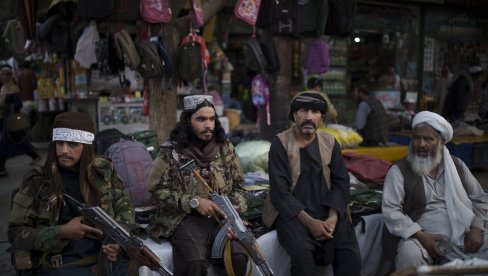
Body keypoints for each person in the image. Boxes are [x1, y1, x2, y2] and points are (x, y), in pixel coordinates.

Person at [8, 112, 135, 275]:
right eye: (59, 143)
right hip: (62, 264)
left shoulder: (103, 172)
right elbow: (15, 234)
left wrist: (118, 242)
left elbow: (125, 210)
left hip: (106, 260)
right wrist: (61, 232)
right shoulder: (38, 181)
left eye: (72, 144)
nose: (64, 150)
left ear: (86, 146)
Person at [147, 95, 248, 276]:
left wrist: (233, 218)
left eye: (211, 119)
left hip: (223, 218)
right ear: (188, 120)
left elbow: (240, 188)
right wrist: (193, 202)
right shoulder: (171, 152)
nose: (208, 125)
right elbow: (157, 191)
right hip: (185, 219)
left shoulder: (225, 149)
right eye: (201, 119)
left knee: (238, 257)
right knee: (194, 263)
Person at [262, 91, 361, 276]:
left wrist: (332, 218)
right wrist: (311, 223)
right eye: (303, 110)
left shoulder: (330, 143)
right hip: (294, 215)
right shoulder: (280, 143)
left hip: (328, 210)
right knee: (302, 260)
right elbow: (280, 193)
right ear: (294, 115)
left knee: (350, 257)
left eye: (315, 112)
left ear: (322, 118)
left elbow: (341, 182)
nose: (309, 117)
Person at [382, 111, 488, 270]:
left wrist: (477, 228)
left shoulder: (457, 166)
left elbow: (478, 198)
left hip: (463, 237)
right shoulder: (399, 170)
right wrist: (421, 236)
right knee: (409, 253)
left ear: (441, 143)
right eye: (417, 138)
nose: (421, 144)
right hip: (420, 240)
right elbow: (391, 211)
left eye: (428, 139)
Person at [0, 65, 41, 177]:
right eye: (3, 74)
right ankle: (34, 155)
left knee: (4, 144)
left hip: (12, 119)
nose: (5, 76)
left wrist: (5, 106)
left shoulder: (14, 88)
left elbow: (18, 104)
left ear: (11, 75)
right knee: (18, 140)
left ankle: (1, 168)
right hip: (5, 120)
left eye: (7, 74)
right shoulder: (3, 88)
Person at [17, 61, 38, 125]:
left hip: (24, 100)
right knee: (34, 118)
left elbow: (19, 88)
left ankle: (27, 132)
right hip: (32, 99)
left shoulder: (19, 75)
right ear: (29, 66)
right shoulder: (32, 73)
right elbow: (35, 86)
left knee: (25, 119)